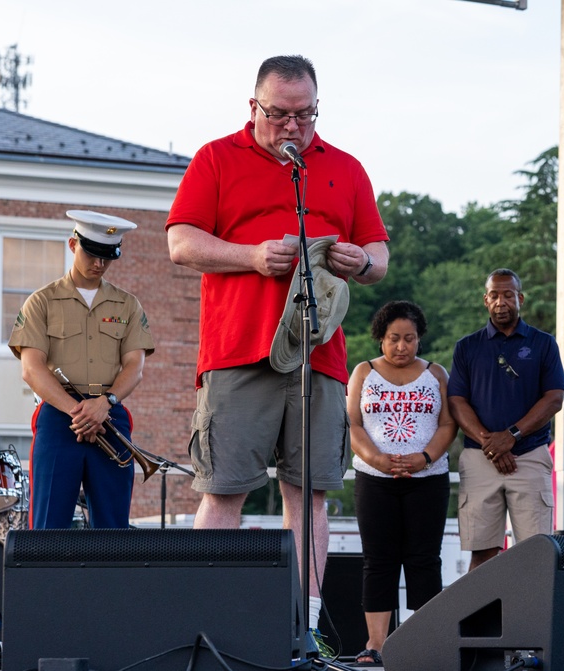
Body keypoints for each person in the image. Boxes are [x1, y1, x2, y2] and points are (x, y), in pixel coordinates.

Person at [165, 54, 389, 651]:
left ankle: (303, 629)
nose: (293, 126)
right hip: (238, 352)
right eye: (280, 114)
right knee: (224, 489)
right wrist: (252, 256)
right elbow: (180, 242)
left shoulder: (345, 167)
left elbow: (380, 256)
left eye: (305, 114)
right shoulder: (217, 157)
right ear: (254, 106)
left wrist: (358, 262)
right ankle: (203, 628)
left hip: (318, 357)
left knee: (309, 492)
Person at [9, 210, 154, 529]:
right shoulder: (41, 302)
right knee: (48, 528)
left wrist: (104, 404)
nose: (99, 264)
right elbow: (32, 369)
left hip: (109, 415)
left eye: (107, 257)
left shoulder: (128, 305)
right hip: (61, 418)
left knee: (114, 530)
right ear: (73, 244)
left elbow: (135, 366)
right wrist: (80, 412)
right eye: (92, 253)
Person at [347, 301, 456, 666]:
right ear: (380, 338)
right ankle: (376, 644)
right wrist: (377, 459)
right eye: (394, 338)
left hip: (427, 480)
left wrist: (424, 457)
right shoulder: (363, 373)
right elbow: (354, 425)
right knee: (379, 561)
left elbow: (447, 424)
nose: (401, 347)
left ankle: (423, 643)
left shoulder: (436, 373)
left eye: (410, 339)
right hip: (375, 480)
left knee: (424, 560)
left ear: (419, 339)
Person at [447, 269, 564, 571]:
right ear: (485, 301)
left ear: (520, 299)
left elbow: (554, 398)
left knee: (534, 555)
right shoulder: (467, 347)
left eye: (508, 294)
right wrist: (492, 443)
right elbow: (456, 401)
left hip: (529, 456)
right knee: (482, 555)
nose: (502, 301)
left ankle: (531, 620)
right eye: (495, 295)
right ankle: (481, 620)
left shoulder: (544, 343)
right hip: (479, 458)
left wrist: (511, 436)